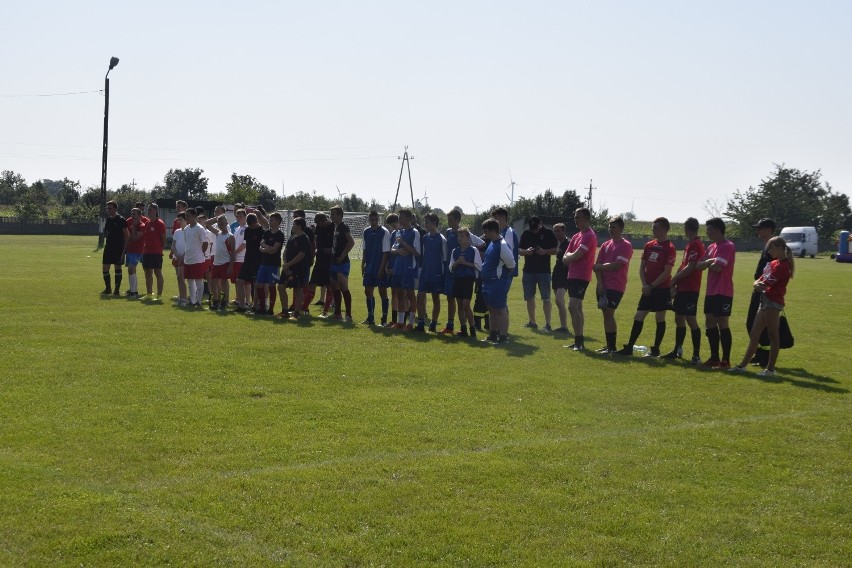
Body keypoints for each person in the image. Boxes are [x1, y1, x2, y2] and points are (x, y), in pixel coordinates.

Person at [729, 236, 794, 376]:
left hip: (773, 303)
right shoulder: (774, 263)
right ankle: (742, 366)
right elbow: (759, 280)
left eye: (770, 248)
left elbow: (763, 284)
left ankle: (770, 369)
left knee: (773, 336)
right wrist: (757, 284)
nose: (769, 251)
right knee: (754, 334)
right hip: (765, 300)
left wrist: (758, 284)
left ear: (777, 247)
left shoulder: (783, 266)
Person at [615, 217, 676, 357]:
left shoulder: (670, 248)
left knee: (660, 318)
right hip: (648, 288)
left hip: (661, 289)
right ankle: (629, 347)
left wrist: (652, 286)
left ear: (664, 229)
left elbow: (667, 272)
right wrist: (645, 285)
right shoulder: (649, 245)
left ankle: (655, 350)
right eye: (653, 227)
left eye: (656, 227)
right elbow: (642, 267)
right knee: (639, 316)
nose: (653, 230)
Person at [662, 217, 706, 363]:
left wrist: (674, 280)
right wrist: (675, 281)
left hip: (691, 288)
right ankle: (678, 349)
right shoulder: (690, 244)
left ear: (686, 229)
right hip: (683, 287)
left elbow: (691, 267)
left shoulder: (696, 244)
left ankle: (696, 355)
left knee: (691, 320)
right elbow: (683, 266)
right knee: (679, 318)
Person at [695, 217, 736, 368]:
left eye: (709, 229)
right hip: (711, 291)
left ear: (718, 230)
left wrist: (708, 263)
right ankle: (714, 357)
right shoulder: (711, 247)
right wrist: (709, 262)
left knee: (722, 322)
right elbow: (699, 265)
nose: (707, 232)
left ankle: (725, 360)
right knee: (709, 321)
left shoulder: (728, 246)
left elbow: (719, 268)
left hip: (723, 291)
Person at [592, 216, 634, 354]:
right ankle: (609, 345)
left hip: (616, 285)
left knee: (609, 313)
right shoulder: (605, 245)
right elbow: (597, 266)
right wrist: (600, 284)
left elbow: (617, 265)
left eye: (613, 227)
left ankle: (612, 347)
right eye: (609, 227)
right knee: (606, 314)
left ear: (621, 228)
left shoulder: (626, 245)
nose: (610, 229)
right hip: (603, 285)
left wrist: (600, 267)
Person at [561, 207, 598, 351]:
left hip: (582, 276)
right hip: (572, 275)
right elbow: (565, 255)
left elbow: (576, 255)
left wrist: (569, 257)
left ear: (587, 219)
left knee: (572, 306)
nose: (575, 220)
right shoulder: (577, 236)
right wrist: (569, 257)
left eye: (578, 217)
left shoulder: (589, 236)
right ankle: (578, 341)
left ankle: (579, 341)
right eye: (575, 217)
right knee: (578, 307)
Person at [480, 218, 516, 345]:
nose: (484, 233)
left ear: (493, 231)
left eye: (486, 231)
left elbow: (511, 265)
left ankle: (504, 337)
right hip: (488, 282)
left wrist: (500, 276)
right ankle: (493, 335)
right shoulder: (492, 243)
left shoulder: (502, 245)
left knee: (500, 309)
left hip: (497, 282)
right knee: (491, 309)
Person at [518, 216, 558, 331]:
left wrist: (545, 251)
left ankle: (548, 324)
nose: (534, 230)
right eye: (532, 228)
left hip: (543, 271)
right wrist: (526, 252)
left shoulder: (549, 233)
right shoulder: (526, 233)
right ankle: (532, 322)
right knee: (529, 297)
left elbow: (555, 249)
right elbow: (519, 250)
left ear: (541, 224)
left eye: (535, 228)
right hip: (528, 271)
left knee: (546, 298)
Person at [746, 218, 776, 367]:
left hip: (765, 291)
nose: (758, 231)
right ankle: (759, 354)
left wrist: (764, 285)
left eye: (760, 228)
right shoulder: (767, 245)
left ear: (769, 230)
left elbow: (775, 270)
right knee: (751, 323)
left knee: (761, 326)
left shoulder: (774, 247)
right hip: (758, 288)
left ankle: (764, 356)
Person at [416, 213, 448, 332]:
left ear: (434, 223)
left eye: (427, 222)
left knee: (435, 299)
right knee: (420, 297)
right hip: (425, 273)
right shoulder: (425, 238)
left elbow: (444, 258)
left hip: (437, 273)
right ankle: (420, 323)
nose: (425, 225)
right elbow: (423, 255)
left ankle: (433, 323)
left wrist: (443, 275)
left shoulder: (442, 239)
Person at [448, 227, 482, 338]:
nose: (460, 238)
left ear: (468, 238)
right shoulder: (455, 251)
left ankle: (472, 329)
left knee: (466, 304)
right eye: (458, 236)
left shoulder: (473, 250)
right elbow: (451, 267)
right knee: (459, 305)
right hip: (458, 279)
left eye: (462, 236)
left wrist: (465, 263)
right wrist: (457, 262)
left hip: (468, 280)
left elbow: (478, 266)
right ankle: (463, 330)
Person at [390, 209, 421, 329]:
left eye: (401, 217)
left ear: (408, 218)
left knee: (410, 295)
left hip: (409, 268)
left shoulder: (415, 232)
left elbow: (417, 253)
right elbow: (392, 249)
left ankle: (411, 323)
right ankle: (400, 322)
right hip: (398, 267)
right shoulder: (398, 232)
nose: (399, 220)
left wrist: (405, 244)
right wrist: (397, 251)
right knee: (399, 295)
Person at [325, 205, 356, 322]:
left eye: (333, 214)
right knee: (335, 289)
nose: (331, 216)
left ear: (339, 215)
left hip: (342, 263)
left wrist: (342, 255)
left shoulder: (344, 227)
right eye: (331, 214)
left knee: (344, 288)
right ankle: (337, 313)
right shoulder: (334, 227)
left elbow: (351, 242)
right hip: (333, 261)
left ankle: (348, 315)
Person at [491, 207, 518, 335]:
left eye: (495, 218)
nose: (494, 221)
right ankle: (500, 329)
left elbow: (508, 254)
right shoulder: (504, 232)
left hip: (505, 272)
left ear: (502, 217)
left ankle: (503, 331)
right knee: (500, 301)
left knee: (501, 302)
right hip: (502, 271)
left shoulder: (508, 232)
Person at [361, 210, 391, 325]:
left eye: (375, 219)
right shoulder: (366, 231)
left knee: (382, 292)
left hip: (379, 266)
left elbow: (386, 252)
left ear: (378, 219)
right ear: (369, 220)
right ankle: (370, 317)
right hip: (369, 267)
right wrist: (363, 264)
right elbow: (364, 249)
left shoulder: (384, 232)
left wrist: (382, 268)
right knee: (368, 291)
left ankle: (384, 320)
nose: (373, 221)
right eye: (371, 219)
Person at [278, 217, 311, 319]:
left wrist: (289, 264)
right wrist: (286, 264)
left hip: (298, 268)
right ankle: (284, 311)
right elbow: (285, 251)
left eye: (294, 224)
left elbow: (301, 255)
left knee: (298, 289)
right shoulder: (292, 237)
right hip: (287, 268)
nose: (292, 226)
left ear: (299, 226)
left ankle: (296, 313)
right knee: (280, 287)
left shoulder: (304, 238)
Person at [237, 210, 267, 313]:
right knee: (239, 281)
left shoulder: (262, 231)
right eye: (249, 226)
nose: (250, 228)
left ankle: (255, 306)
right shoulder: (247, 230)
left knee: (256, 283)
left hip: (258, 261)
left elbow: (266, 225)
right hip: (247, 260)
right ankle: (241, 306)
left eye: (252, 226)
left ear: (256, 222)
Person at [256, 212, 285, 315]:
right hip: (264, 263)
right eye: (270, 219)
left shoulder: (280, 234)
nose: (269, 221)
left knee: (272, 286)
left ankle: (271, 309)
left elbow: (274, 250)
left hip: (273, 264)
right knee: (259, 285)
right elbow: (261, 244)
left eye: (272, 220)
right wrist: (266, 248)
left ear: (278, 222)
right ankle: (262, 307)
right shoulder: (267, 232)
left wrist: (264, 249)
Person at [182, 208, 209, 308]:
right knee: (190, 281)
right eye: (186, 215)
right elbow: (187, 243)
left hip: (198, 259)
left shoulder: (199, 228)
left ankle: (199, 301)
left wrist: (201, 253)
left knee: (198, 280)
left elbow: (205, 243)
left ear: (194, 216)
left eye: (188, 215)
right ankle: (192, 301)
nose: (186, 217)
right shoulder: (186, 229)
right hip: (188, 259)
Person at [309, 213, 335, 316]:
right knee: (312, 283)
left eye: (320, 222)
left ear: (324, 220)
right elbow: (316, 239)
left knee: (329, 285)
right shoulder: (319, 228)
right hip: (319, 259)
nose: (319, 225)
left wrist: (332, 250)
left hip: (329, 261)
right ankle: (304, 308)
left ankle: (326, 311)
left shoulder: (333, 227)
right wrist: (316, 249)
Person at [101, 200, 128, 296]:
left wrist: (124, 250)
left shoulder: (121, 219)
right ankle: (108, 288)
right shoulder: (108, 220)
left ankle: (117, 290)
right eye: (107, 208)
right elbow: (107, 234)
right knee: (105, 267)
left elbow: (126, 235)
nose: (108, 210)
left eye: (110, 208)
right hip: (108, 247)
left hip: (118, 248)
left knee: (117, 267)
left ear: (115, 209)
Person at [141, 203, 167, 301]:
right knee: (147, 272)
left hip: (156, 252)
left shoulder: (160, 223)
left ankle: (159, 295)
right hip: (146, 252)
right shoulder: (147, 223)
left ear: (156, 211)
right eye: (148, 209)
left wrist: (160, 249)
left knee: (157, 273)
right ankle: (149, 294)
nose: (149, 211)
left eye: (151, 209)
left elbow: (163, 239)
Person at [210, 215, 235, 310]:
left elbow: (233, 253)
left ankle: (225, 300)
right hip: (216, 262)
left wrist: (230, 266)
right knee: (213, 282)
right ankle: (216, 301)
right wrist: (216, 217)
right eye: (219, 224)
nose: (220, 225)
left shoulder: (230, 236)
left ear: (226, 224)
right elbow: (207, 224)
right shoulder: (218, 233)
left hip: (225, 262)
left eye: (222, 224)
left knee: (224, 282)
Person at [551, 223, 570, 333]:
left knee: (558, 300)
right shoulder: (560, 243)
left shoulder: (569, 243)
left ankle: (564, 327)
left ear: (564, 231)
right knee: (560, 301)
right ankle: (563, 325)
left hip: (565, 275)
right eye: (555, 231)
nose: (556, 233)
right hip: (556, 273)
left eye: (558, 231)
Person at [124, 208, 147, 298]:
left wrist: (133, 228)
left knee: (131, 268)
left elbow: (134, 238)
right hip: (130, 250)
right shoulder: (131, 224)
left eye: (134, 214)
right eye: (131, 214)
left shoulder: (142, 225)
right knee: (131, 270)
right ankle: (133, 290)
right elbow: (128, 239)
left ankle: (134, 292)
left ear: (139, 215)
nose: (132, 216)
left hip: (137, 251)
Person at [168, 212, 188, 306]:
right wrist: (177, 255)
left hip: (185, 258)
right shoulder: (177, 231)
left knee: (181, 277)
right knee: (179, 278)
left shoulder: (189, 231)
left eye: (181, 219)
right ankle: (181, 296)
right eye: (178, 219)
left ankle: (185, 299)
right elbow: (173, 245)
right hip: (177, 257)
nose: (179, 221)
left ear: (186, 220)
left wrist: (183, 256)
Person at [231, 209, 248, 310]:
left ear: (245, 216)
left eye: (240, 216)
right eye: (237, 216)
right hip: (236, 258)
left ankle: (246, 301)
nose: (238, 218)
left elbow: (244, 244)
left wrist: (234, 253)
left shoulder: (246, 228)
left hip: (242, 258)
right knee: (237, 280)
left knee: (244, 282)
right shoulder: (237, 228)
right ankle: (238, 299)